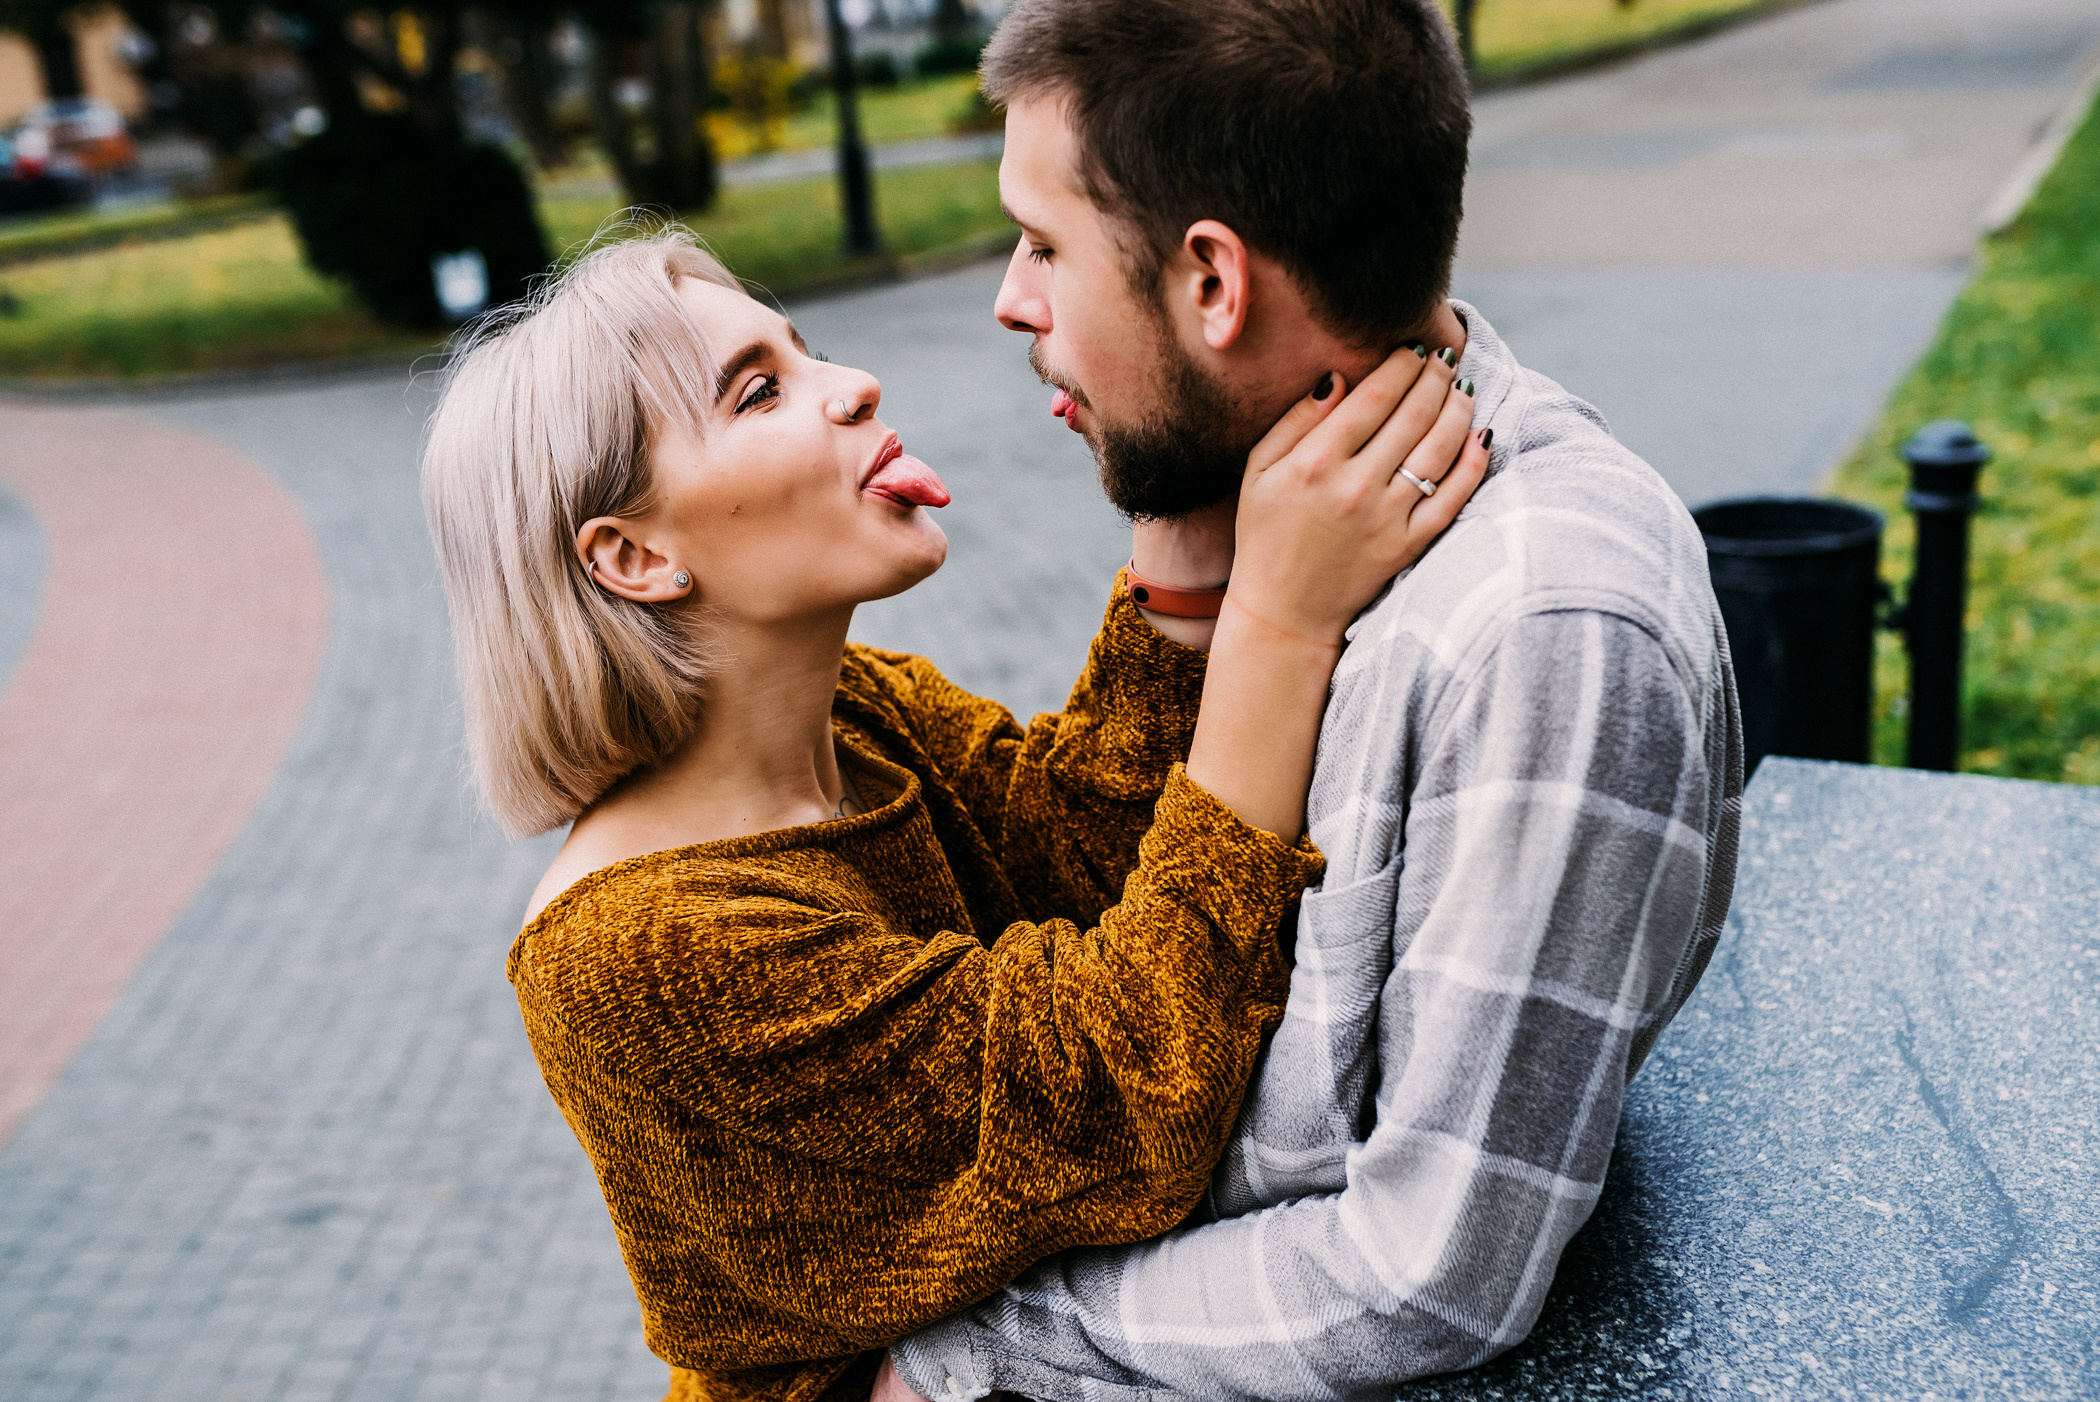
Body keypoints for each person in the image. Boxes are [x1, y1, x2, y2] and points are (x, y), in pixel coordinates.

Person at [419, 231, 1488, 1402]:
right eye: (760, 391)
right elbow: (1124, 1085)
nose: (854, 385)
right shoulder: (637, 959)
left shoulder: (863, 719)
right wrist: (1278, 623)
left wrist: (1181, 496)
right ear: (634, 554)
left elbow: (1085, 854)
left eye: (805, 350)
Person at [882, 2, 1745, 1399]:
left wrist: (980, 1347)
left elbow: (1430, 1268)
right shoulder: (1283, 492)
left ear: (1213, 284)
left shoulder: (1544, 630)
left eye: (1043, 244)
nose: (1010, 299)